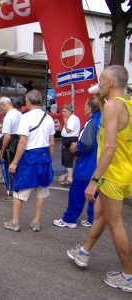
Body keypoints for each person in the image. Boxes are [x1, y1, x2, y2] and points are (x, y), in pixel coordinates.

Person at [67, 65, 132, 293]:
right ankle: (84, 252)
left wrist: (94, 180)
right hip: (125, 172)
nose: (100, 83)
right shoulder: (125, 103)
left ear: (111, 83)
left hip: (111, 174)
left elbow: (111, 146)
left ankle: (128, 275)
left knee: (116, 224)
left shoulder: (114, 105)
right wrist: (102, 101)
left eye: (102, 80)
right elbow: (112, 125)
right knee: (103, 216)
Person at [4, 90, 55, 232]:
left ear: (28, 101)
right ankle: (36, 221)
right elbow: (52, 143)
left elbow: (23, 141)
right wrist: (50, 159)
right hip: (44, 157)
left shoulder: (26, 118)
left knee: (20, 189)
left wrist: (14, 162)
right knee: (41, 190)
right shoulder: (49, 118)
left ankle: (15, 221)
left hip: (29, 157)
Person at [53, 97, 101, 229]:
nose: (84, 109)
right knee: (94, 193)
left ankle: (70, 219)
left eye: (86, 106)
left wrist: (76, 147)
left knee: (77, 192)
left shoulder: (92, 122)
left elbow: (86, 144)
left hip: (87, 163)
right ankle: (92, 219)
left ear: (90, 109)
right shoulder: (103, 120)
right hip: (98, 163)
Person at [0, 97, 22, 201]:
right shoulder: (19, 114)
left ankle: (12, 192)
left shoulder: (8, 116)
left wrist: (2, 151)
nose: (0, 109)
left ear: (3, 105)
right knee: (18, 167)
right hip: (20, 141)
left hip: (12, 143)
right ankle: (19, 191)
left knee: (10, 167)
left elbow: (7, 136)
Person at [60, 104, 80, 186]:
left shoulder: (72, 119)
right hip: (68, 139)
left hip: (70, 139)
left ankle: (70, 178)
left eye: (65, 111)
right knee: (68, 158)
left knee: (68, 158)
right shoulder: (72, 118)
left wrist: (65, 120)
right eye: (62, 111)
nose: (63, 113)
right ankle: (70, 176)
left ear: (70, 111)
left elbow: (68, 130)